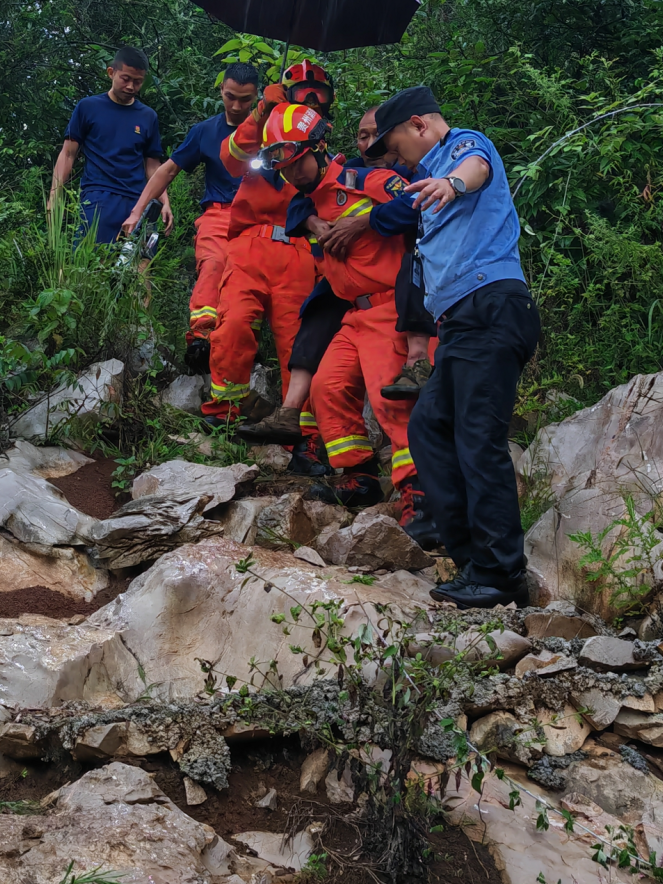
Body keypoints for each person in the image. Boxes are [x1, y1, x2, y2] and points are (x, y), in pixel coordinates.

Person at [364, 85, 541, 608]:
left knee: (477, 438)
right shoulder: (423, 183)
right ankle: (471, 559)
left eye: (395, 145)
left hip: (492, 307)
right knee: (429, 426)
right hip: (461, 325)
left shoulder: (462, 145)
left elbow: (476, 168)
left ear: (419, 125)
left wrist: (451, 183)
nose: (397, 158)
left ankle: (502, 574)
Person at [254, 102, 438, 549]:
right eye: (282, 163)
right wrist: (314, 219)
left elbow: (419, 206)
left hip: (388, 307)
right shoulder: (305, 203)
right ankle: (358, 476)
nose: (292, 172)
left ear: (318, 149)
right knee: (327, 389)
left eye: (297, 160)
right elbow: (296, 213)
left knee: (392, 401)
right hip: (351, 313)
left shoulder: (368, 180)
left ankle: (422, 495)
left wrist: (364, 225)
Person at [199, 61, 335, 476]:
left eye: (319, 94)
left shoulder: (320, 139)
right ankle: (224, 409)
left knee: (300, 345)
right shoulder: (263, 126)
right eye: (304, 91)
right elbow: (232, 161)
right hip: (250, 242)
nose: (312, 99)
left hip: (297, 249)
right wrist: (260, 113)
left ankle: (305, 438)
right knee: (234, 323)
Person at [123, 63, 259, 371]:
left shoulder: (269, 132)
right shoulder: (205, 131)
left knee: (246, 282)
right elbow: (167, 170)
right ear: (221, 90)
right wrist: (138, 210)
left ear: (256, 97)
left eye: (245, 100)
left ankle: (243, 341)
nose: (236, 106)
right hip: (219, 215)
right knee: (212, 266)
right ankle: (200, 338)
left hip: (259, 221)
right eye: (230, 97)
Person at [50, 46, 172, 243]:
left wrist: (164, 201)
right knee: (92, 263)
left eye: (138, 81)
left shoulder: (148, 116)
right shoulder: (88, 107)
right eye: (126, 79)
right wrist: (54, 197)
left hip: (139, 200)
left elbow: (153, 166)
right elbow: (68, 154)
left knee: (141, 264)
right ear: (111, 72)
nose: (131, 86)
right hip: (98, 197)